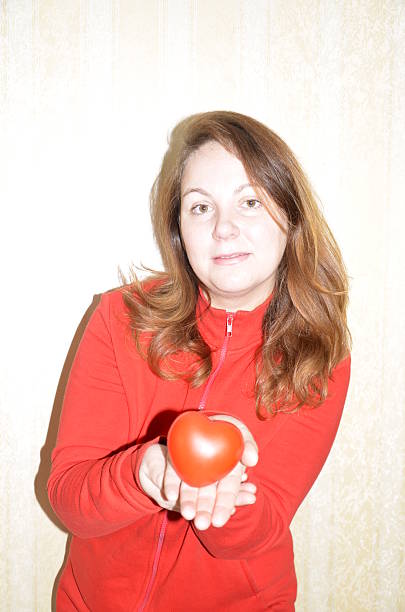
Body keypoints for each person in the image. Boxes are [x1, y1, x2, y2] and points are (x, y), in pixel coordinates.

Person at [48, 111, 351, 611]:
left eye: (250, 201)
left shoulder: (320, 354)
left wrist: (225, 490)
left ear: (290, 216)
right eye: (200, 208)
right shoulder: (118, 318)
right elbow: (68, 497)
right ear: (178, 230)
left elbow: (264, 529)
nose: (225, 228)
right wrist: (143, 473)